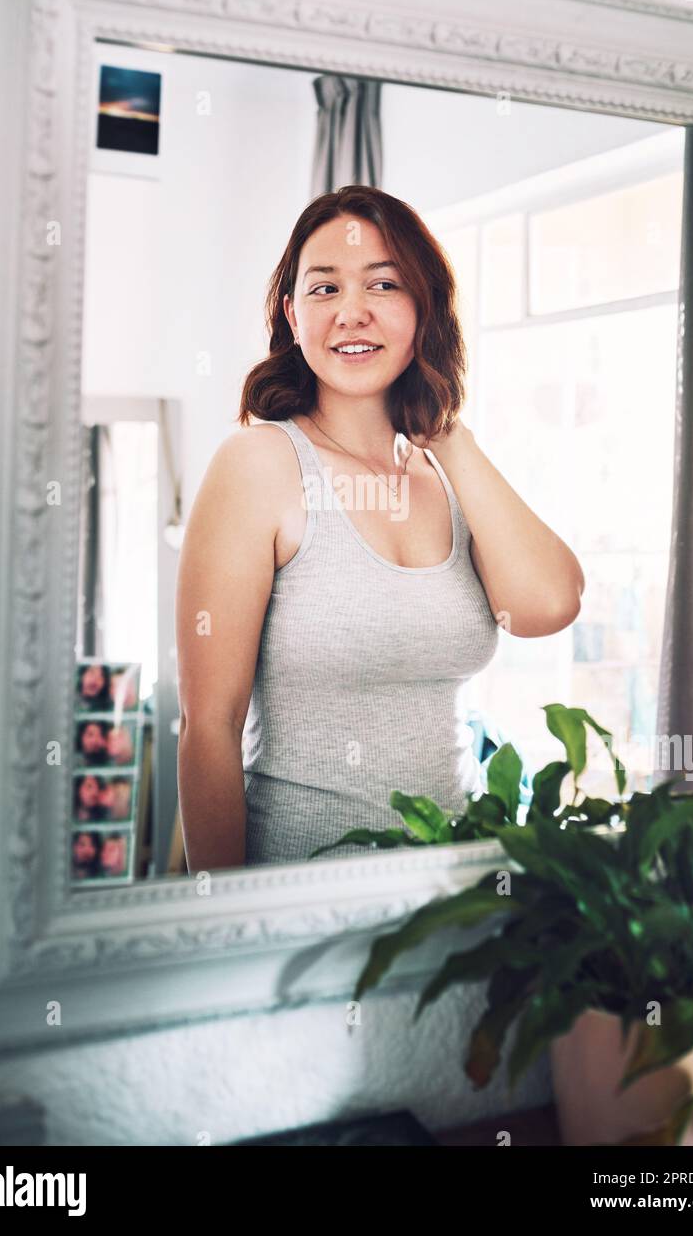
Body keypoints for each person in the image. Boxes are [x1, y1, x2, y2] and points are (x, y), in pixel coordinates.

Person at [175, 185, 585, 870]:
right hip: (301, 896)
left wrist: (447, 434)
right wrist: (224, 926)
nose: (351, 313)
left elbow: (547, 606)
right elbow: (206, 730)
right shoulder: (258, 465)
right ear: (292, 315)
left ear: (424, 306)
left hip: (458, 891)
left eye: (383, 284)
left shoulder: (452, 472)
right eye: (324, 289)